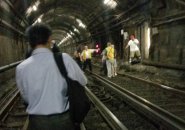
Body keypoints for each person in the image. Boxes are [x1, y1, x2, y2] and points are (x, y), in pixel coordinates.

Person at [16, 24, 87, 130]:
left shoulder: (21, 68)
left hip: (36, 122)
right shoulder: (64, 59)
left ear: (30, 43)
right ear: (49, 39)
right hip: (64, 120)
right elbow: (83, 81)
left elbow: (25, 97)